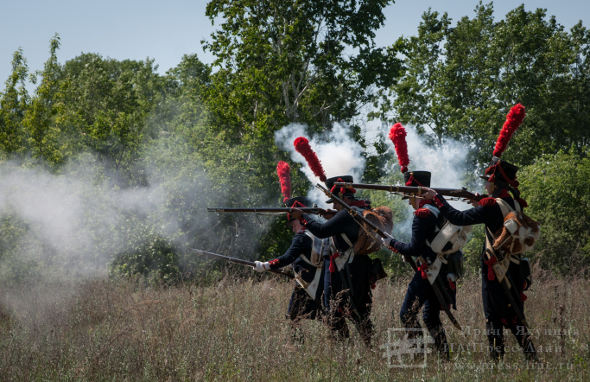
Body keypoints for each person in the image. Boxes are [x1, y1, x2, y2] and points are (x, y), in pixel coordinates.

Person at [420, 159, 537, 361]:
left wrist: (438, 198)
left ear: (494, 181)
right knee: (514, 315)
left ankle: (496, 361)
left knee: (493, 317)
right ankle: (531, 356)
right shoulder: (513, 201)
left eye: (488, 181)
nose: (485, 184)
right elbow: (496, 218)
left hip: (497, 270)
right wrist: (478, 203)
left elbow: (458, 218)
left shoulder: (491, 205)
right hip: (514, 268)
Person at [291, 176, 376, 346]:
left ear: (343, 198)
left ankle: (343, 347)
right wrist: (332, 216)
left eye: (335, 201)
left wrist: (303, 217)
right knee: (358, 311)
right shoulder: (360, 210)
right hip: (359, 268)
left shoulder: (346, 213)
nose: (333, 206)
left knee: (332, 311)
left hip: (347, 269)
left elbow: (321, 231)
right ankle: (370, 346)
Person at [386, 170, 454, 360]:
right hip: (440, 270)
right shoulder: (439, 210)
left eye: (410, 197)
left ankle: (418, 356)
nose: (409, 201)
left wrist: (392, 243)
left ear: (417, 194)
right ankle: (444, 358)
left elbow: (414, 248)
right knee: (430, 318)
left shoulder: (422, 214)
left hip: (428, 271)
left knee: (406, 314)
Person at [253, 196, 327, 344]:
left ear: (300, 219)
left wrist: (265, 265)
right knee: (324, 315)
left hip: (306, 284)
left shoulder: (301, 237)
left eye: (292, 222)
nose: (292, 227)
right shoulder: (317, 233)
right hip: (320, 282)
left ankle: (297, 344)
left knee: (293, 316)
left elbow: (287, 257)